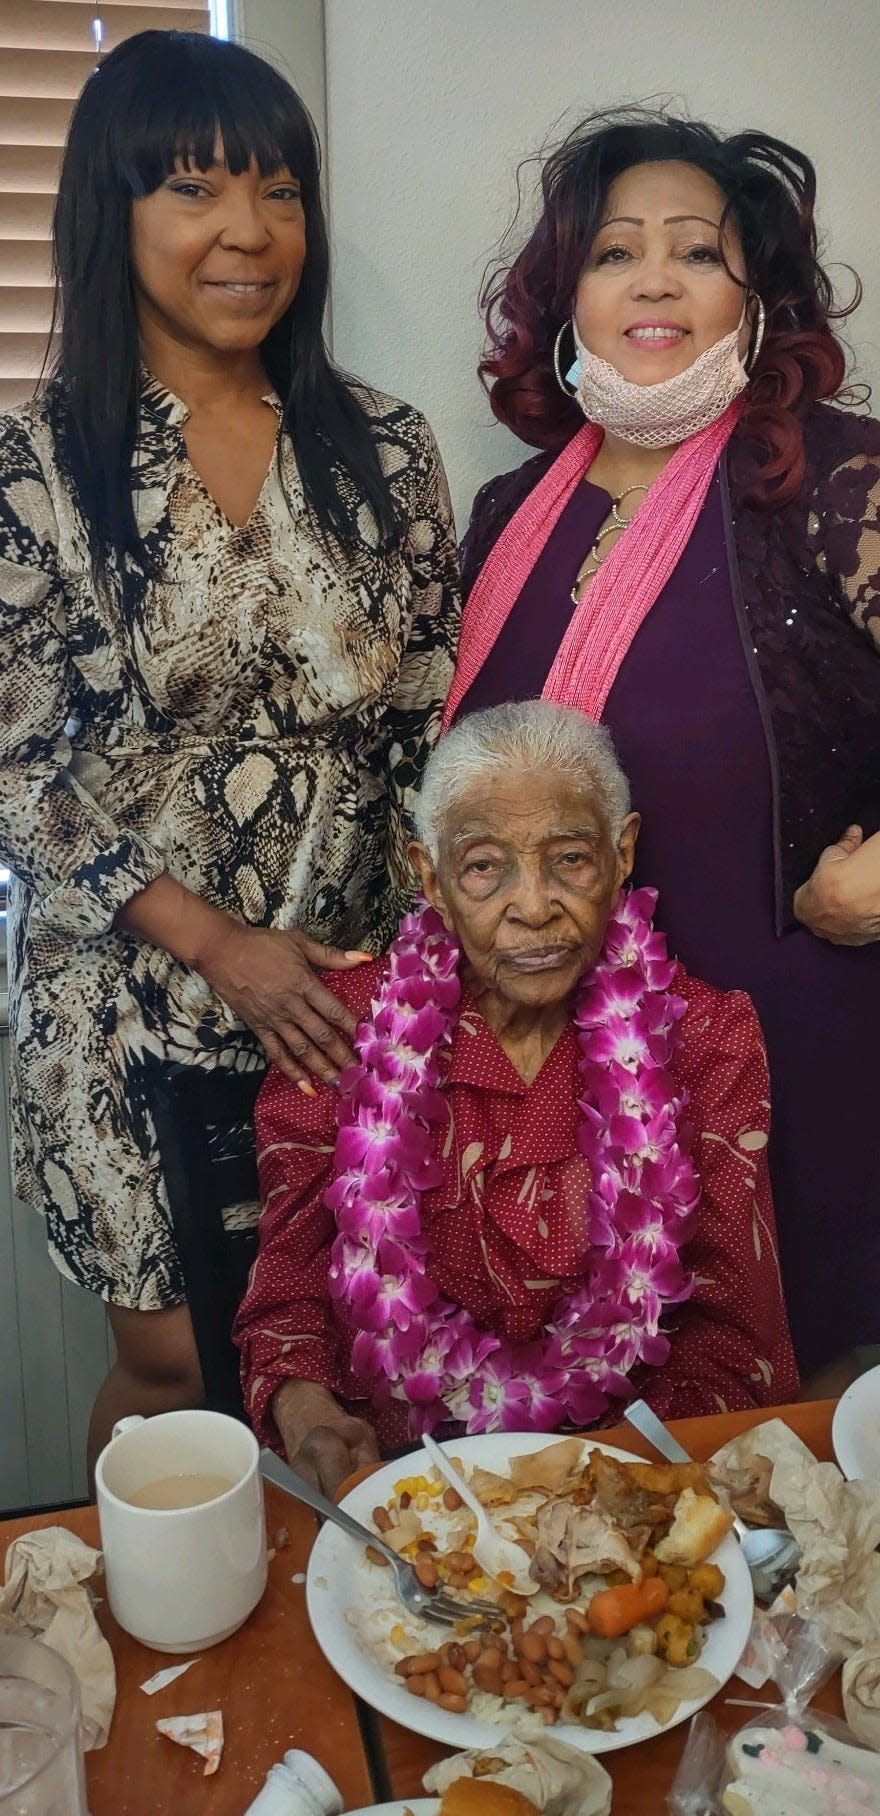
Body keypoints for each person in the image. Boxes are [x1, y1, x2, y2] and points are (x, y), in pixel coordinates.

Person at [0, 31, 459, 1466]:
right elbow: (16, 766)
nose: (248, 233)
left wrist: (431, 959)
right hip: (127, 985)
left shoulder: (382, 447)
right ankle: (143, 1650)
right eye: (195, 188)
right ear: (112, 211)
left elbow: (424, 723)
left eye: (278, 189)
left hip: (331, 991)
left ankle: (309, 1652)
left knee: (331, 1343)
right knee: (180, 1357)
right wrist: (216, 943)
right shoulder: (36, 465)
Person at [447, 108, 880, 1392]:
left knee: (796, 1506)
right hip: (576, 1095)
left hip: (803, 1085)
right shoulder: (508, 517)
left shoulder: (824, 477)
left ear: (754, 300)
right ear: (566, 300)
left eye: (696, 251)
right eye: (613, 253)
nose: (653, 278)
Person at [234, 702, 798, 1494]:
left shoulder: (704, 1035)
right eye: (482, 867)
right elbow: (286, 1293)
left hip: (625, 1477)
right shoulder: (341, 1031)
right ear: (429, 876)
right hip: (395, 1482)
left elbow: (735, 1336)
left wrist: (586, 1498)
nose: (532, 907)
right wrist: (307, 1415)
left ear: (621, 851)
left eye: (569, 859)